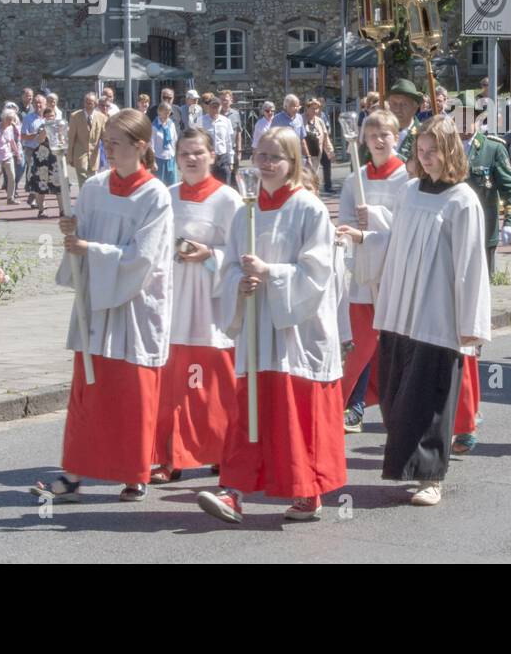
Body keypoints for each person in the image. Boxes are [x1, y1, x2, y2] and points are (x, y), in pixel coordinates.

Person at [197, 126, 345, 523]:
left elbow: (317, 272)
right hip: (257, 328)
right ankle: (233, 492)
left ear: (292, 162)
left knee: (292, 413)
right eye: (260, 155)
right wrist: (237, 284)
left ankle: (306, 492)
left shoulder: (308, 208)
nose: (265, 163)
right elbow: (228, 263)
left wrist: (271, 273)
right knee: (249, 412)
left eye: (274, 156)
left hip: (294, 332)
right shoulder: (246, 211)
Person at [31, 109, 175, 504]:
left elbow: (143, 259)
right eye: (105, 142)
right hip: (97, 303)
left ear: (141, 146)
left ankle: (134, 472)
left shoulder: (155, 195)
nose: (107, 149)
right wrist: (71, 231)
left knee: (132, 393)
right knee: (89, 391)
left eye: (115, 143)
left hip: (134, 304)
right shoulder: (94, 187)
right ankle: (74, 474)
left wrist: (89, 248)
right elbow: (82, 236)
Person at [356, 114, 490, 507]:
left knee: (430, 397)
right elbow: (396, 243)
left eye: (433, 152)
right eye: (421, 151)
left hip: (437, 316)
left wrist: (470, 323)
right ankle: (409, 469)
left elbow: (470, 266)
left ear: (450, 152)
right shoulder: (410, 191)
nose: (426, 158)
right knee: (398, 395)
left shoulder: (462, 200)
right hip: (401, 311)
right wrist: (364, 238)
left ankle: (431, 476)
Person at [151, 127, 243, 484]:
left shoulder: (228, 200)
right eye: (185, 153)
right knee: (171, 387)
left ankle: (221, 451)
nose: (191, 159)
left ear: (211, 156)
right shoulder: (165, 196)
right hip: (174, 299)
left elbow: (239, 254)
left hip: (210, 302)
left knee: (213, 385)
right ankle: (168, 457)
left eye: (198, 153)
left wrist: (209, 256)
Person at [335, 109, 410, 434]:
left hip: (395, 273)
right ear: (362, 139)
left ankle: (399, 408)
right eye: (372, 135)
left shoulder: (408, 178)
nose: (378, 141)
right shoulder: (356, 178)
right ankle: (343, 404)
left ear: (396, 137)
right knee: (359, 344)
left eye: (385, 135)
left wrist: (375, 217)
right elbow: (345, 221)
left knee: (396, 347)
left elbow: (408, 227)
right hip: (364, 273)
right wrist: (354, 230)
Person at [455, 92, 511, 276]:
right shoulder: (444, 148)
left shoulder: (492, 149)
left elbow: (510, 189)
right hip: (452, 231)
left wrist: (510, 222)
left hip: (483, 230)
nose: (464, 122)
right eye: (459, 116)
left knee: (482, 289)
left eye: (469, 116)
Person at [27, 100, 62, 218]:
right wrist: (46, 129)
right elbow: (40, 140)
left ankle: (62, 210)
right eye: (47, 116)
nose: (49, 118)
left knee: (59, 185)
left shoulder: (60, 126)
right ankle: (41, 210)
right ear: (44, 117)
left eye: (51, 116)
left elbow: (63, 141)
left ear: (55, 116)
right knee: (41, 185)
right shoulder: (42, 127)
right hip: (42, 159)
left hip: (55, 158)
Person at [68, 92, 107, 184]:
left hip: (94, 154)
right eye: (86, 102)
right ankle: (84, 195)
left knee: (92, 178)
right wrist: (70, 156)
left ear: (95, 104)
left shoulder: (102, 117)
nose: (88, 105)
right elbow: (71, 138)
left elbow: (104, 137)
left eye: (91, 102)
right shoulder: (75, 116)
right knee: (82, 175)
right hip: (80, 153)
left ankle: (90, 196)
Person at [386, 80, 426, 169]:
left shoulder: (424, 134)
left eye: (404, 104)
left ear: (415, 107)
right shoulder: (378, 133)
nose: (397, 109)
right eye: (394, 103)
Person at [0, 107, 22, 205]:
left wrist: (17, 153)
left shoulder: (10, 128)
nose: (11, 122)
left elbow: (12, 141)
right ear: (4, 118)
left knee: (12, 176)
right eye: (9, 119)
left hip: (8, 156)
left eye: (12, 119)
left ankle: (10, 198)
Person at [303, 98, 335, 194]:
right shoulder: (300, 120)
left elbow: (325, 137)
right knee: (305, 176)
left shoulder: (319, 121)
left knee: (314, 175)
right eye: (313, 108)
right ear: (307, 108)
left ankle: (314, 194)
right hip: (304, 154)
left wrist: (330, 151)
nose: (315, 111)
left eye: (317, 109)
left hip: (317, 153)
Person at [21, 94, 47, 210]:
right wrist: (37, 134)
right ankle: (37, 200)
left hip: (45, 150)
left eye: (40, 103)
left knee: (42, 174)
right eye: (36, 102)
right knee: (36, 173)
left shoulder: (48, 118)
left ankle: (33, 197)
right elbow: (24, 136)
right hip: (31, 150)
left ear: (45, 104)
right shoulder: (28, 118)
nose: (38, 105)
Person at [203, 95, 234, 184]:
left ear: (220, 108)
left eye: (217, 107)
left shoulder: (226, 121)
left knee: (225, 185)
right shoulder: (201, 121)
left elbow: (229, 142)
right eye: (213, 107)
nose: (215, 109)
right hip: (208, 157)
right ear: (209, 107)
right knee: (209, 186)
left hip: (223, 157)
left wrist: (231, 161)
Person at [151, 102, 179, 185]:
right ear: (159, 111)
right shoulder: (154, 126)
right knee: (160, 184)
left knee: (173, 184)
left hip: (171, 158)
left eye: (169, 111)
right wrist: (153, 162)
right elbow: (151, 146)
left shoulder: (171, 124)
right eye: (165, 111)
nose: (168, 114)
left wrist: (177, 156)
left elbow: (175, 140)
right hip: (159, 159)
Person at [220, 90, 243, 185]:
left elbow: (238, 132)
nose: (224, 102)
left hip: (233, 150)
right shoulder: (217, 114)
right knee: (223, 176)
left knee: (234, 176)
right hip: (222, 152)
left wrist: (239, 151)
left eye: (226, 100)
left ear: (231, 101)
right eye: (222, 100)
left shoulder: (236, 114)